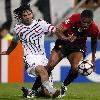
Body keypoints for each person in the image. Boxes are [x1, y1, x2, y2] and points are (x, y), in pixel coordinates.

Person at [28, 9, 99, 97]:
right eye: (84, 22)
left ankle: (64, 85)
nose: (86, 24)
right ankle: (34, 90)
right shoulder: (74, 18)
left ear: (92, 20)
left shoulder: (94, 29)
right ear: (80, 19)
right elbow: (58, 30)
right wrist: (65, 38)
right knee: (50, 65)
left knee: (75, 69)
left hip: (77, 48)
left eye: (89, 22)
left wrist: (93, 59)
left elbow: (94, 44)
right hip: (63, 44)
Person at [0, 4, 62, 98]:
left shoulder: (41, 23)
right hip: (30, 58)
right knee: (42, 70)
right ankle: (52, 90)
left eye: (29, 14)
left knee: (46, 94)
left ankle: (33, 92)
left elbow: (54, 30)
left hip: (43, 57)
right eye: (25, 15)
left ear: (32, 14)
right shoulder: (17, 29)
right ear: (21, 17)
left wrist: (64, 37)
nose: (28, 17)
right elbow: (14, 43)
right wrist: (8, 52)